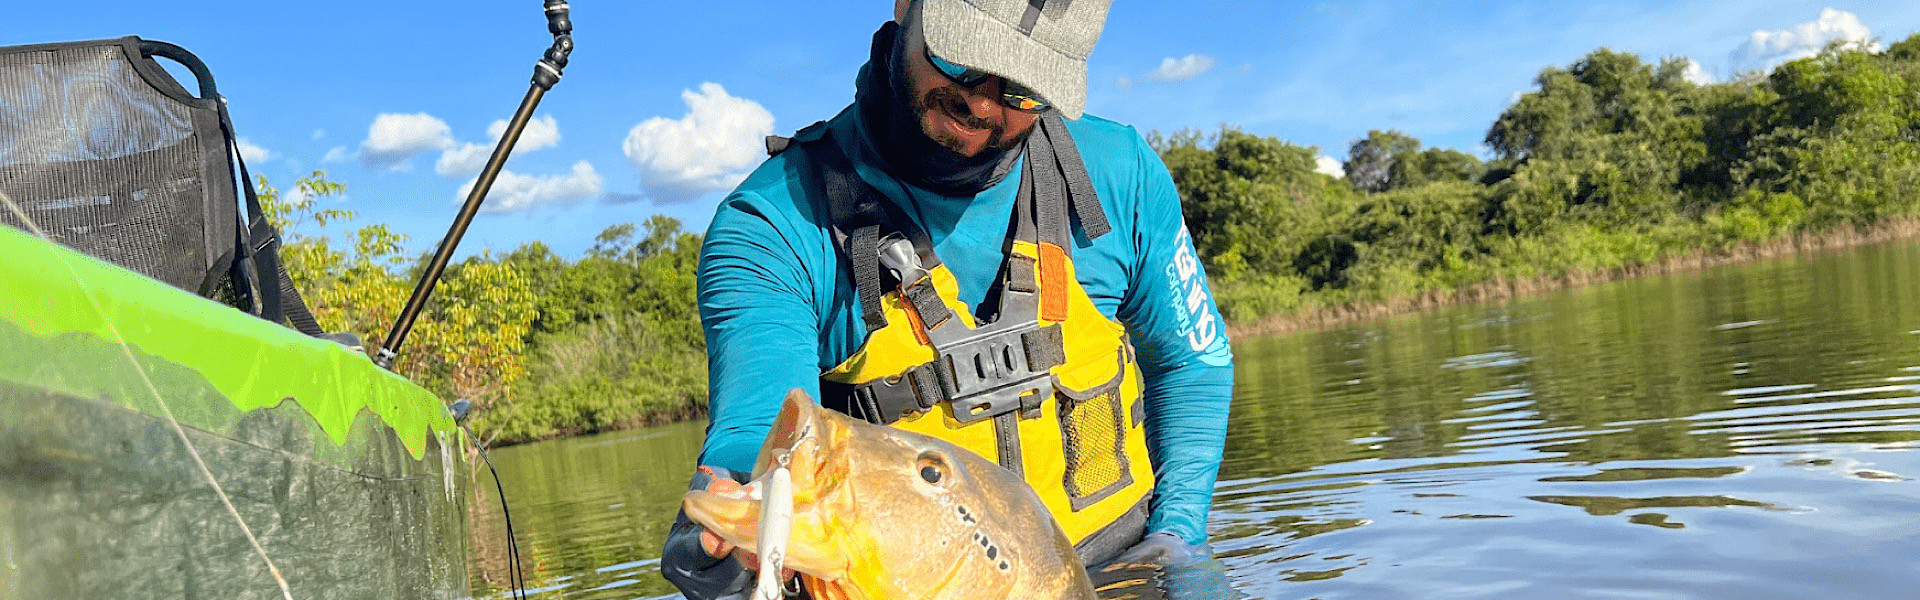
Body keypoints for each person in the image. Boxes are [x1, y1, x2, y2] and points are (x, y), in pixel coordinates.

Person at [662, 0, 1234, 597]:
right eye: (962, 58)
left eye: (1024, 89)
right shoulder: (773, 226)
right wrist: (727, 520)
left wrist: (1180, 543)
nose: (984, 103)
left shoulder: (1122, 173)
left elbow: (1193, 360)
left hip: (1131, 569)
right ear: (907, 6)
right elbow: (758, 432)